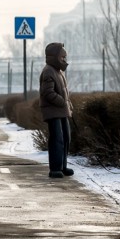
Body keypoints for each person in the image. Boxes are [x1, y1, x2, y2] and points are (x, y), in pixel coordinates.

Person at [39, 42, 74, 178]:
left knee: (66, 138)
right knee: (57, 139)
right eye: (62, 57)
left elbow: (64, 93)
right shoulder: (48, 71)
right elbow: (48, 93)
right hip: (53, 112)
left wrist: (68, 104)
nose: (65, 59)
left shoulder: (58, 71)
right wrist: (62, 102)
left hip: (62, 111)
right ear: (54, 57)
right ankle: (55, 168)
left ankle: (62, 166)